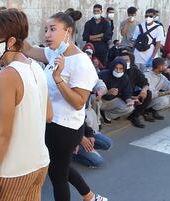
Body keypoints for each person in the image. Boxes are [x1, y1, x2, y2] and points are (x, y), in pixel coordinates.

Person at [22, 12, 107, 201]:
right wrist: (14, 25)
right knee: (61, 167)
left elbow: (78, 102)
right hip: (51, 123)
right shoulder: (55, 52)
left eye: (53, 29)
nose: (47, 35)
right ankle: (90, 196)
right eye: (46, 30)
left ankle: (90, 197)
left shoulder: (81, 62)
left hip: (65, 128)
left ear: (67, 31)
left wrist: (58, 79)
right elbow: (27, 49)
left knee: (58, 176)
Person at [0, 8, 52, 201]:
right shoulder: (36, 67)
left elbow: (2, 134)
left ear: (10, 41)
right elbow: (48, 115)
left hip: (13, 170)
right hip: (39, 163)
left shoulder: (8, 75)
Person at [121, 52, 153, 128]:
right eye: (122, 60)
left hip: (131, 94)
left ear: (131, 61)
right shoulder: (117, 70)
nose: (124, 62)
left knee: (148, 93)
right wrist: (130, 97)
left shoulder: (134, 70)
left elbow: (145, 82)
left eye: (126, 60)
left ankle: (134, 116)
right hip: (120, 95)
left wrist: (144, 90)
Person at [99, 58, 135, 125]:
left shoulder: (125, 78)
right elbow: (94, 90)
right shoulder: (102, 74)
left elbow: (126, 92)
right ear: (112, 67)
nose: (118, 71)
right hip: (100, 100)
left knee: (130, 108)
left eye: (121, 69)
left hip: (113, 101)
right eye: (116, 68)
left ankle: (106, 115)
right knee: (93, 98)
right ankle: (97, 122)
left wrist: (129, 100)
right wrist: (107, 92)